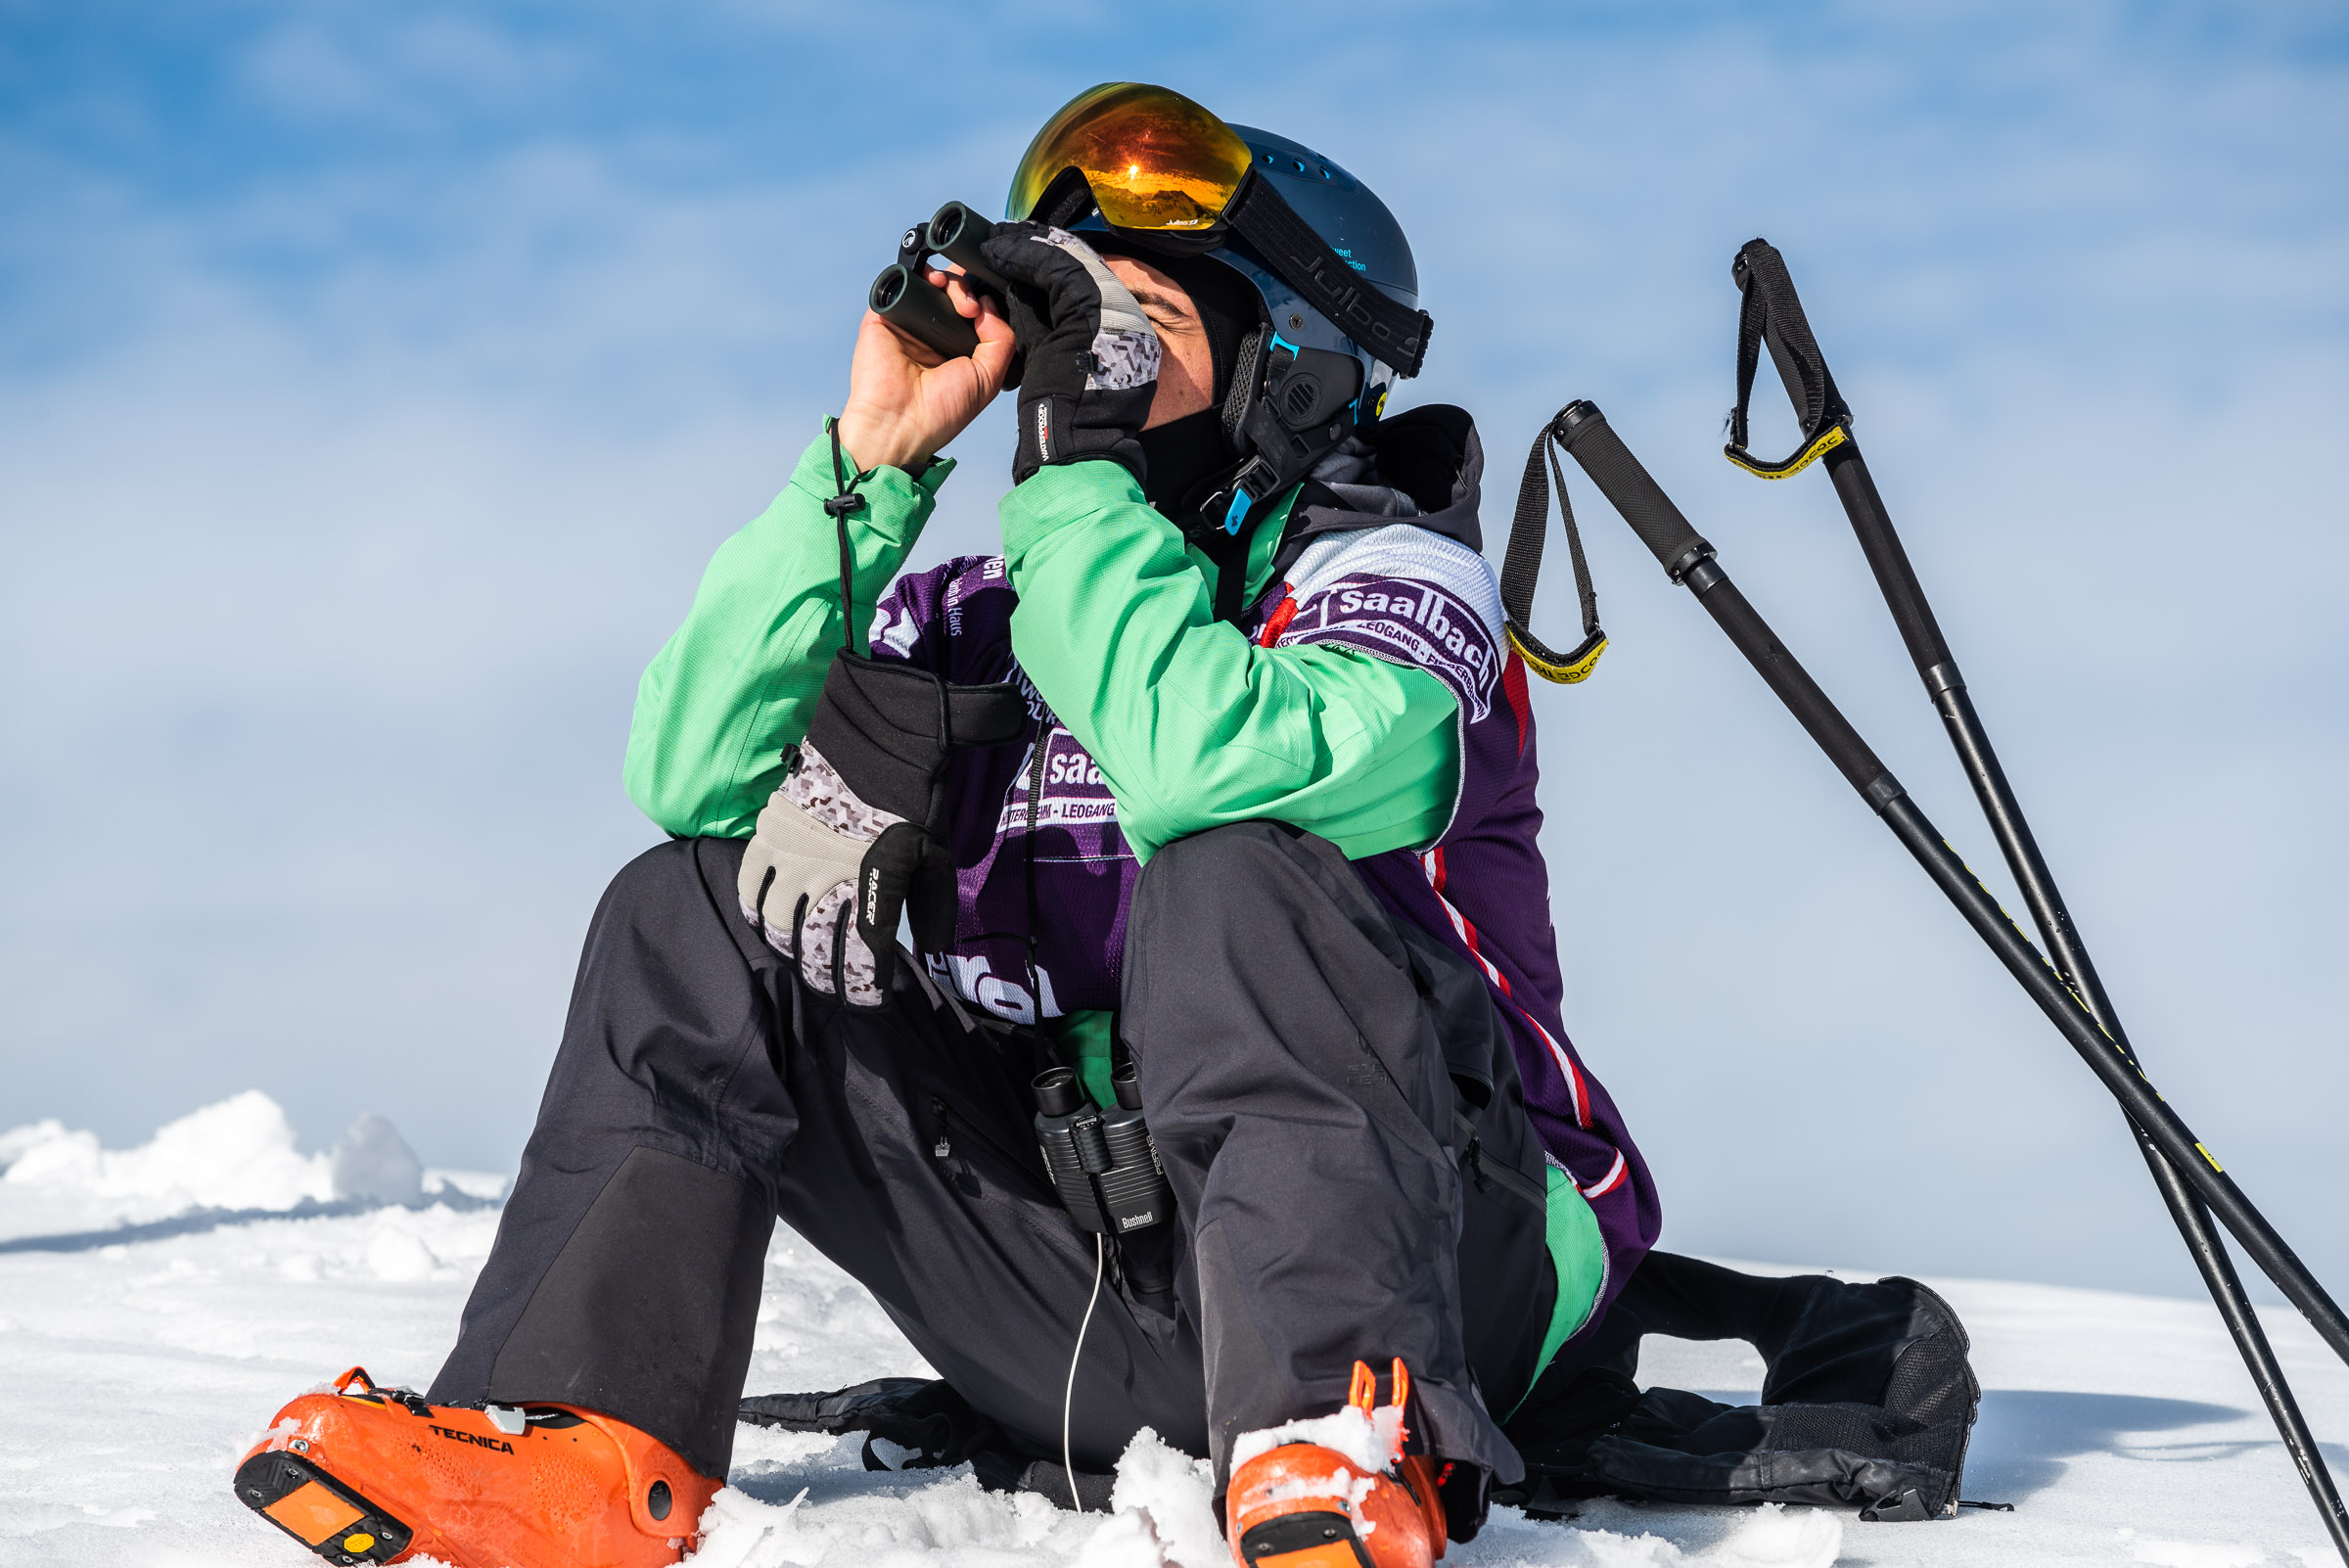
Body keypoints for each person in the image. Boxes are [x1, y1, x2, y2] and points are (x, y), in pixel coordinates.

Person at [229, 83, 1659, 1568]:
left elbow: (1193, 766)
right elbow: (692, 771)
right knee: (690, 906)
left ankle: (1341, 1446)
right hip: (1079, 1288)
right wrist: (875, 458)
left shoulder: (1399, 590)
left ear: (1284, 370)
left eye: (1142, 320)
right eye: (1075, 318)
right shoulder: (978, 618)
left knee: (1233, 872)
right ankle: (581, 1445)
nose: (1086, 359)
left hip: (1439, 1276)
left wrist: (1076, 480)